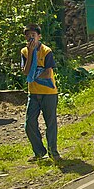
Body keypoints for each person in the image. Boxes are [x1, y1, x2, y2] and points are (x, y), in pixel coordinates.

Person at [21, 24, 60, 161]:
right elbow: (25, 71)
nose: (31, 38)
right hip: (33, 93)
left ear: (39, 36)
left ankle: (53, 152)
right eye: (28, 35)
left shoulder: (46, 51)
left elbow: (48, 73)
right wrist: (31, 53)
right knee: (29, 123)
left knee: (50, 123)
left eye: (33, 35)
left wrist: (33, 76)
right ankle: (39, 152)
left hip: (49, 93)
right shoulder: (25, 52)